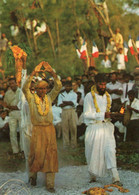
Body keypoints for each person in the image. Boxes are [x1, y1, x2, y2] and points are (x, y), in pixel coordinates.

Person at [22, 61, 62, 193]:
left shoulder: (49, 98)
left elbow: (58, 87)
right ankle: (32, 177)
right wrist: (34, 73)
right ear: (36, 89)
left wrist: (52, 73)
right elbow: (24, 88)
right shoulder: (31, 98)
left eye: (45, 88)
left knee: (50, 154)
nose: (42, 90)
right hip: (38, 130)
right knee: (36, 154)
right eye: (40, 88)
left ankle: (50, 184)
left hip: (49, 129)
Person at [83, 73, 122, 186]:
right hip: (94, 128)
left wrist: (113, 115)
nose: (103, 87)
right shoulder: (89, 96)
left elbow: (108, 112)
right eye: (101, 84)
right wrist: (103, 114)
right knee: (92, 153)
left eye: (105, 84)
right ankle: (93, 176)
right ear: (96, 83)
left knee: (110, 151)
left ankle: (116, 177)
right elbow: (86, 114)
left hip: (106, 128)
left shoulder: (108, 96)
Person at [2, 77, 24, 156]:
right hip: (11, 114)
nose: (11, 85)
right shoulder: (7, 93)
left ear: (16, 83)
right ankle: (15, 151)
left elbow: (21, 106)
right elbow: (5, 105)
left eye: (13, 83)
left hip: (21, 113)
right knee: (12, 132)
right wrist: (9, 107)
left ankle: (23, 149)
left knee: (22, 131)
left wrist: (10, 106)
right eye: (10, 84)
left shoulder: (22, 92)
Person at [57, 80, 78, 149]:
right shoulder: (61, 94)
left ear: (71, 87)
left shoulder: (74, 94)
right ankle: (66, 144)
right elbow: (60, 104)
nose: (67, 87)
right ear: (64, 86)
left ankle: (73, 144)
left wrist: (65, 102)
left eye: (69, 86)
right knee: (65, 127)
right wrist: (68, 102)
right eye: (66, 86)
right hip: (64, 111)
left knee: (73, 127)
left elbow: (73, 103)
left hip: (72, 111)